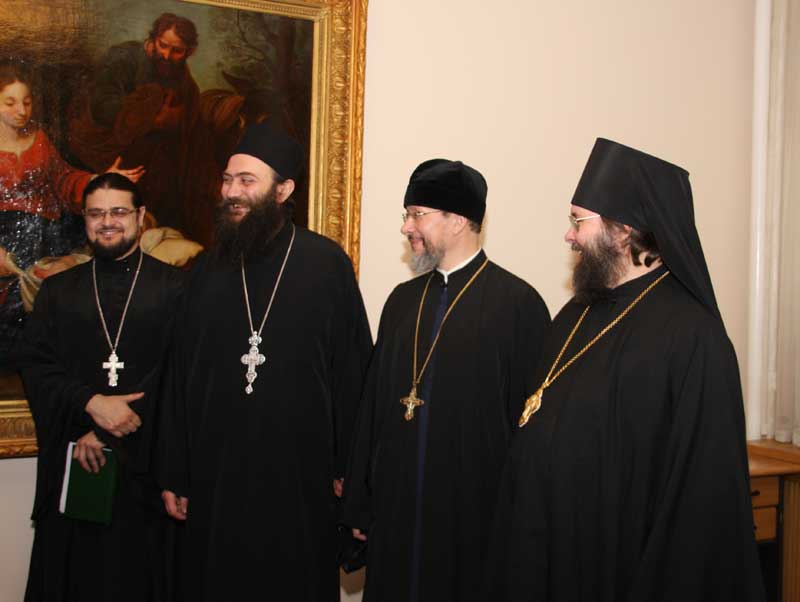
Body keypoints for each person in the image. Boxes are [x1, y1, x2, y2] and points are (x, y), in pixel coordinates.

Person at [484, 138, 765, 601]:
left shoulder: (693, 337)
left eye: (578, 221)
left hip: (618, 564)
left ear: (622, 230)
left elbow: (700, 501)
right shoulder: (575, 314)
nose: (569, 236)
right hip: (548, 553)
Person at [157, 122, 372, 601]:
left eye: (246, 181)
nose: (231, 192)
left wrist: (350, 471)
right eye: (227, 179)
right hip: (216, 476)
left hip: (299, 477)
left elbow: (353, 373)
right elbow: (178, 376)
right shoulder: (206, 271)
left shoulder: (325, 265)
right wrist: (175, 469)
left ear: (283, 190)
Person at [342, 159, 551, 602]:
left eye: (417, 214)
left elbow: (534, 433)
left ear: (457, 220)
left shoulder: (519, 306)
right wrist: (360, 499)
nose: (406, 227)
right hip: (397, 510)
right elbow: (372, 408)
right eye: (407, 215)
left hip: (472, 516)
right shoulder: (402, 302)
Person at [14, 173, 186, 602]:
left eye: (118, 212)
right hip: (79, 473)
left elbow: (181, 372)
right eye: (96, 214)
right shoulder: (58, 292)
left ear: (141, 217)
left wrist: (110, 428)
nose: (107, 222)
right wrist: (89, 403)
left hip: (148, 479)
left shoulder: (177, 289)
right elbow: (36, 366)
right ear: (85, 221)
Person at [0, 59, 143, 366]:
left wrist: (98, 180)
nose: (21, 110)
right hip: (6, 238)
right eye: (10, 102)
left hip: (48, 233)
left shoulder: (38, 138)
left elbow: (63, 179)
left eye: (26, 101)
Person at [68, 13, 205, 241]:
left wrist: (175, 122)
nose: (167, 55)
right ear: (153, 38)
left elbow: (188, 120)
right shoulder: (124, 57)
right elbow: (102, 106)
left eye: (177, 51)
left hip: (155, 159)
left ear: (188, 52)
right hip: (106, 144)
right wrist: (151, 118)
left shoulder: (183, 79)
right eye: (163, 45)